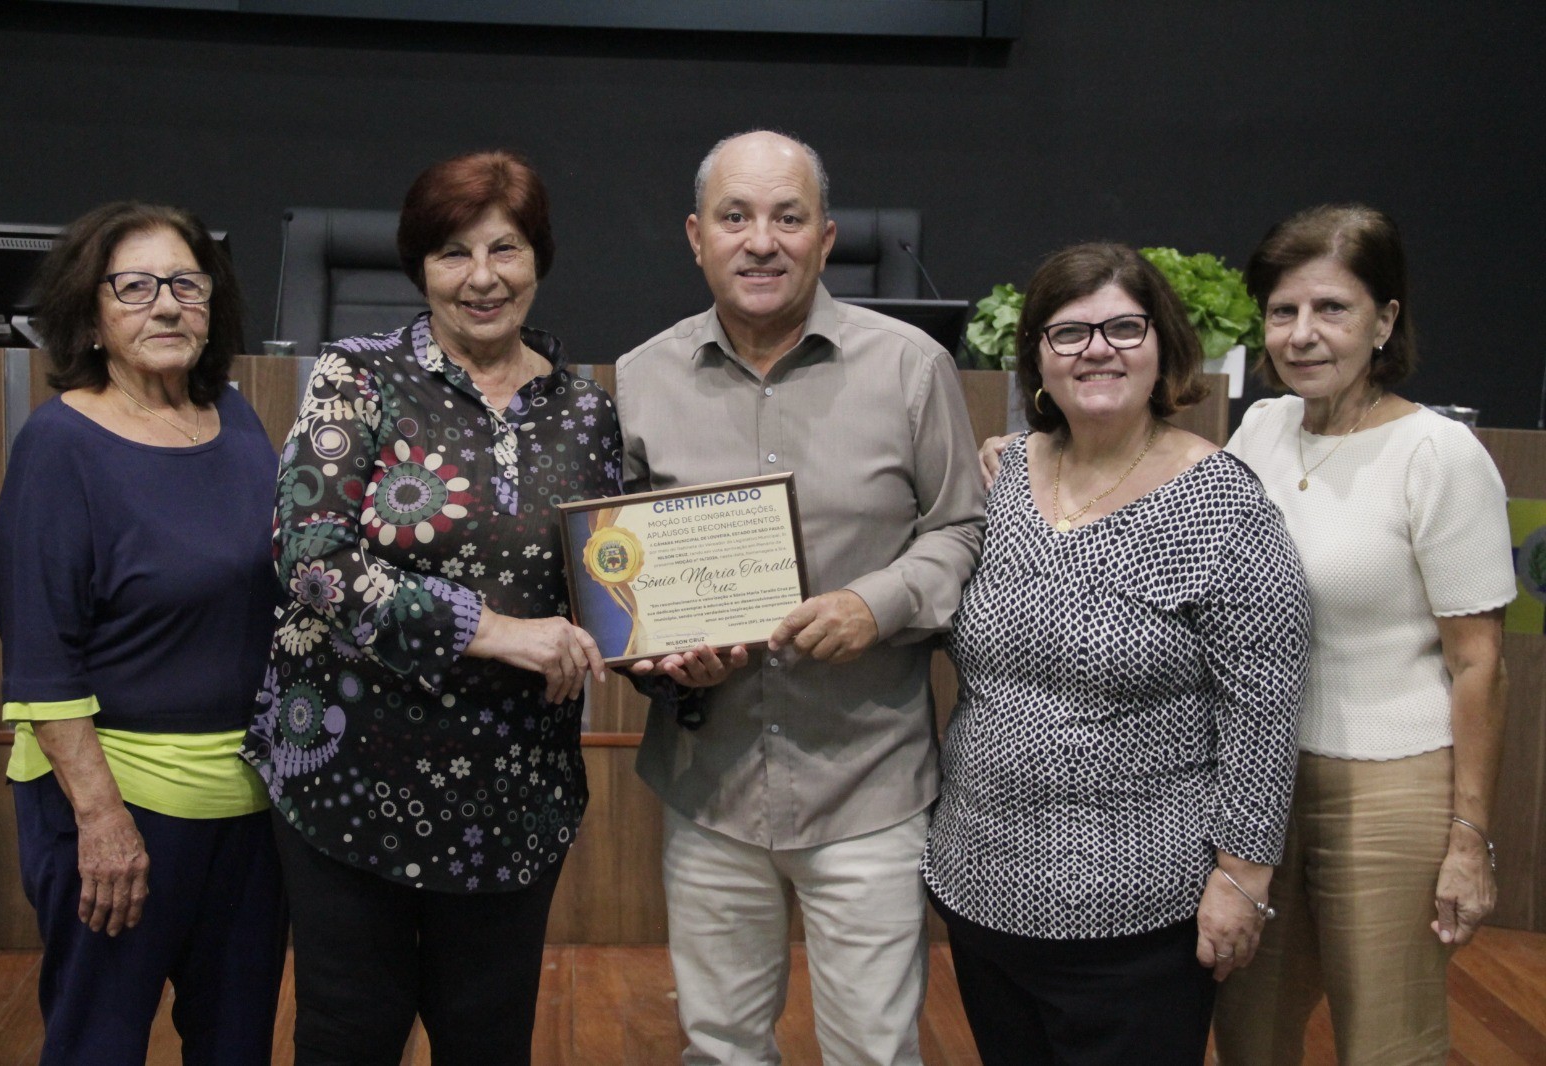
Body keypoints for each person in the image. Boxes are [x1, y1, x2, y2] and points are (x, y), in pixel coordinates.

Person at [239, 149, 617, 1065]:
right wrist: (493, 632)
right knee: (347, 1035)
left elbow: (613, 584)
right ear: (418, 267)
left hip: (512, 797)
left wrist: (685, 642)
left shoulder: (585, 410)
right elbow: (311, 562)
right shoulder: (356, 375)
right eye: (453, 253)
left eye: (506, 249)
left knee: (488, 1043)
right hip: (350, 779)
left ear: (540, 259)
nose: (482, 278)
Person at [615, 129, 985, 1065]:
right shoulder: (639, 380)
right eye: (735, 217)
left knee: (873, 1052)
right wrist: (663, 656)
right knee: (721, 1049)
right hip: (711, 789)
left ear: (826, 237)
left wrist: (881, 602)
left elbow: (961, 528)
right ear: (695, 237)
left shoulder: (910, 368)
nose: (761, 240)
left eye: (788, 217)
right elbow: (615, 571)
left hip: (867, 783)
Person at [925, 242, 1312, 1065]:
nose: (1097, 349)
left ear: (1165, 347)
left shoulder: (1224, 508)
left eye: (1125, 328)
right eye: (1069, 333)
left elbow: (1265, 715)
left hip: (1143, 917)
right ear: (1036, 357)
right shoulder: (999, 479)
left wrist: (1242, 880)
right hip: (982, 887)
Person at [1212, 205, 1514, 1065]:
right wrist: (1036, 446)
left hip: (1392, 788)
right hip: (1259, 785)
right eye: (1282, 311)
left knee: (1389, 1041)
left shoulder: (1437, 453)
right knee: (1247, 1033)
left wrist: (1470, 841)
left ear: (1384, 320)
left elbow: (1479, 662)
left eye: (1332, 309)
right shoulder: (1261, 429)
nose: (1302, 335)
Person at [0, 201, 286, 1065]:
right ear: (90, 314)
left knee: (236, 1048)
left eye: (186, 284)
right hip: (115, 809)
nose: (166, 305)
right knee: (98, 1046)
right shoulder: (58, 446)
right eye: (136, 287)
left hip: (247, 805)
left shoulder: (234, 419)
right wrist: (101, 818)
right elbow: (41, 657)